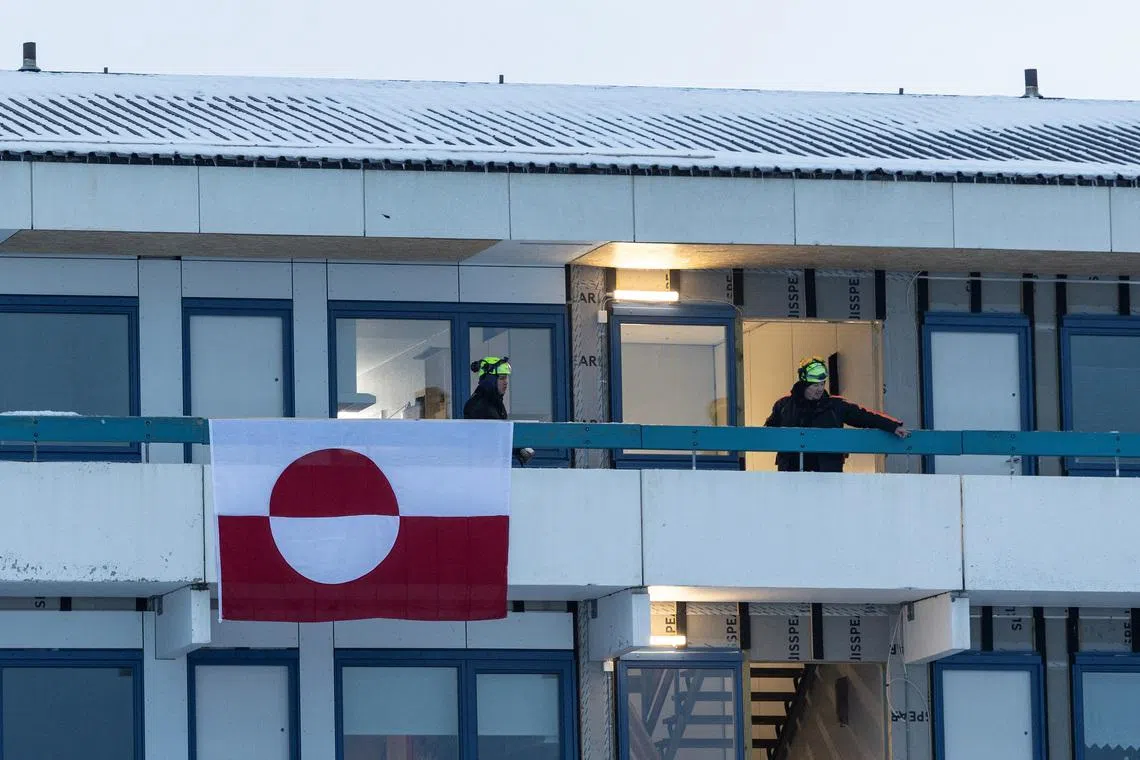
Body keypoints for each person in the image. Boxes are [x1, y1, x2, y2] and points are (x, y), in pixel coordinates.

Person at [764, 356, 910, 472]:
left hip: (828, 477)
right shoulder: (783, 406)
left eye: (822, 384)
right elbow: (766, 434)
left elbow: (865, 417)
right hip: (791, 477)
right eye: (815, 385)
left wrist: (893, 426)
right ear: (803, 385)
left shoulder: (835, 406)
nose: (820, 389)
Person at [463, 356, 535, 465]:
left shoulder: (493, 402)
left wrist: (518, 449)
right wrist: (517, 448)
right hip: (482, 468)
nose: (506, 382)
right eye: (501, 378)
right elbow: (494, 439)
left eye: (506, 378)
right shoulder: (480, 405)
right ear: (490, 380)